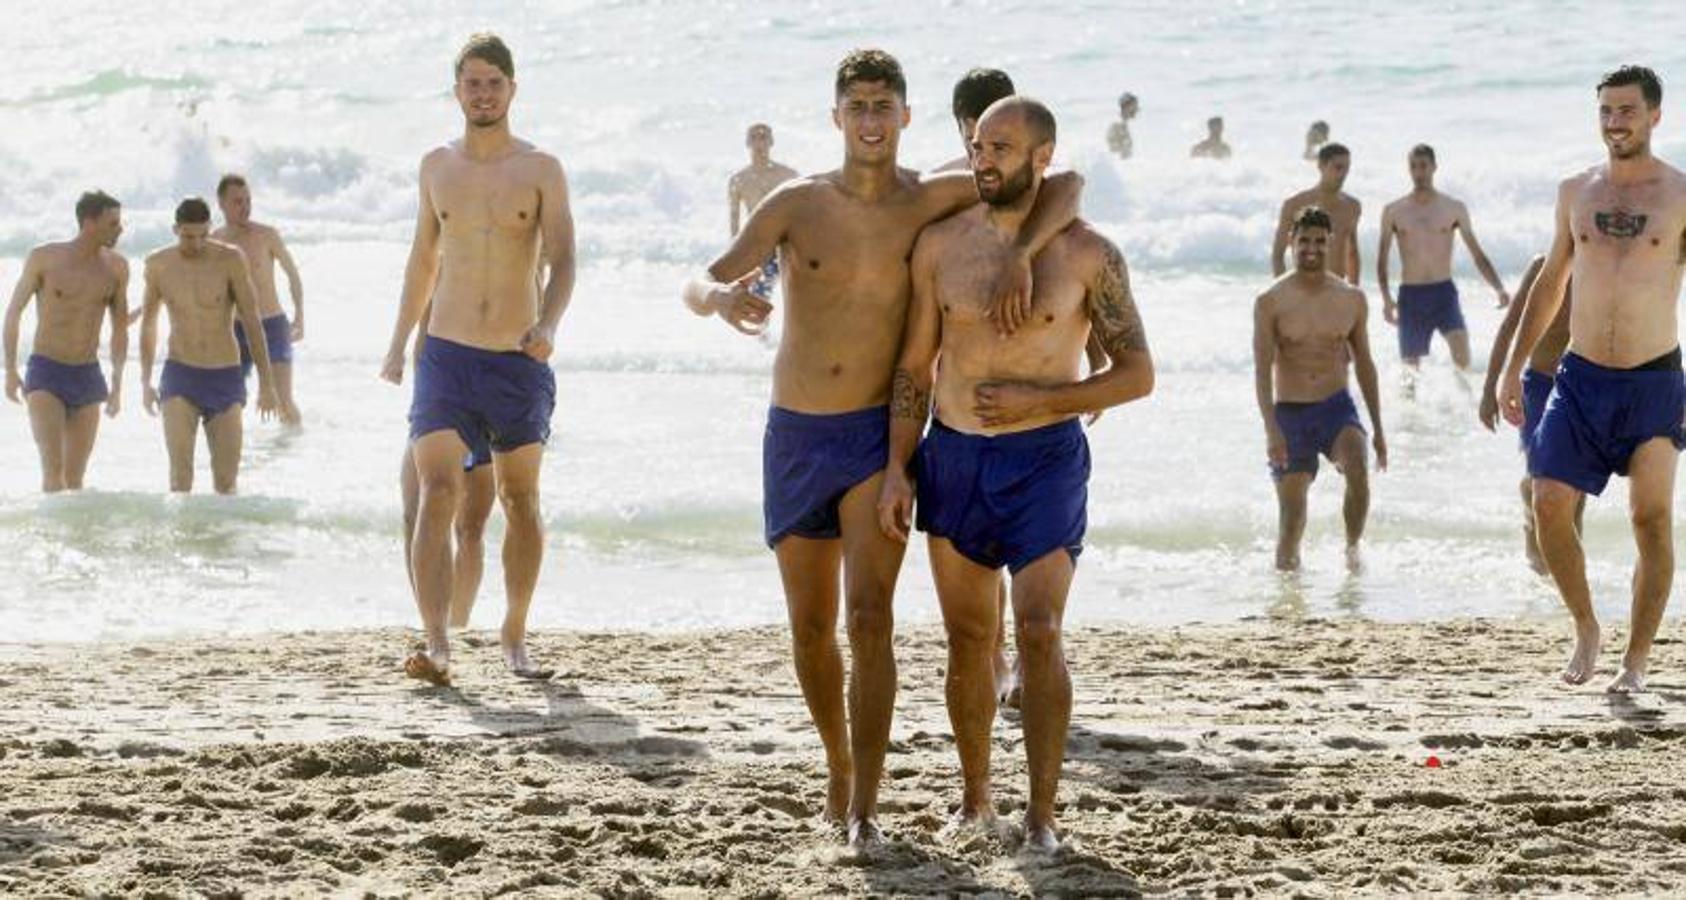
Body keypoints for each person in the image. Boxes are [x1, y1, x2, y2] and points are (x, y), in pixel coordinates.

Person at [681, 48, 1081, 847]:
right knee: (809, 628)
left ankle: (863, 804)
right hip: (796, 431)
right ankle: (838, 764)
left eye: (884, 106)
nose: (870, 121)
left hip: (875, 436)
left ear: (906, 116)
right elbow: (700, 276)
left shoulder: (931, 196)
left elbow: (1063, 184)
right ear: (837, 118)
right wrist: (721, 297)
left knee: (870, 618)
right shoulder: (797, 204)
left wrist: (1019, 252)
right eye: (856, 107)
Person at [878, 96, 1152, 852]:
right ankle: (975, 803)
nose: (982, 160)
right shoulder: (940, 245)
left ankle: (1042, 818)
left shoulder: (1090, 254)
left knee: (1038, 631)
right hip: (955, 457)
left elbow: (1137, 373)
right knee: (969, 639)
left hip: (1047, 462)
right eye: (976, 145)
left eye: (1000, 147)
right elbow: (913, 367)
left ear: (1042, 156)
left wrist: (1047, 397)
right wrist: (900, 468)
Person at [379, 33, 577, 687]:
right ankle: (436, 644)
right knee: (438, 491)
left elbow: (565, 257)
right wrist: (398, 341)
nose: (483, 93)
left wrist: (548, 322)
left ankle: (514, 633)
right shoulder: (436, 166)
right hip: (445, 353)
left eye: (494, 82)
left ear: (512, 89)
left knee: (520, 500)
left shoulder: (542, 168)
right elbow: (421, 260)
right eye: (472, 83)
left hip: (516, 358)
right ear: (457, 90)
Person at [1497, 65, 1686, 694]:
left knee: (1651, 520)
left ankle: (1635, 661)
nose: (1615, 122)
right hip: (1580, 378)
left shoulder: (1680, 194)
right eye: (1605, 110)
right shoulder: (1576, 191)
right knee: (1546, 500)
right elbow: (1550, 284)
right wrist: (1509, 371)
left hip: (1654, 381)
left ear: (1655, 115)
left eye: (1627, 110)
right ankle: (1585, 626)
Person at [1254, 206, 1387, 571]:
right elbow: (1263, 371)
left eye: (1318, 241)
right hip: (1290, 413)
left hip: (1335, 407)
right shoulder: (1270, 300)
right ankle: (1287, 597)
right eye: (1303, 241)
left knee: (1358, 468)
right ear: (1291, 243)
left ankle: (1352, 550)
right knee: (1292, 519)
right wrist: (1271, 430)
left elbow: (1365, 364)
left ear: (1330, 243)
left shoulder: (1351, 299)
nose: (1310, 248)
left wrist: (1377, 429)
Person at [138, 197, 279, 493]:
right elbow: (148, 324)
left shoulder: (230, 259)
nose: (197, 244)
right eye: (189, 236)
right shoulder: (158, 264)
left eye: (203, 235)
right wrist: (145, 380)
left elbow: (252, 321)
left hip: (225, 374)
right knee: (180, 478)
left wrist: (267, 383)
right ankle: (183, 539)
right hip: (180, 375)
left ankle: (220, 539)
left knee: (226, 483)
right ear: (176, 229)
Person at [3, 191, 129, 492]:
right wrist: (10, 370)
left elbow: (119, 330)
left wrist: (117, 385)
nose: (120, 229)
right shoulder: (45, 258)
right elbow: (12, 313)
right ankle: (49, 540)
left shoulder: (117, 268)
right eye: (112, 224)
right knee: (53, 474)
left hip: (87, 373)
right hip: (46, 371)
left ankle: (72, 540)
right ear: (89, 223)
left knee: (75, 481)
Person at [1479, 254, 1579, 573]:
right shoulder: (1542, 265)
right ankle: (1536, 556)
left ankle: (1567, 568)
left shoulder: (1604, 263)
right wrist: (1489, 389)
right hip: (1538, 385)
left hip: (1582, 385)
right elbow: (1510, 326)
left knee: (1575, 485)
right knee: (1538, 477)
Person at [1376, 145, 1509, 371]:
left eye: (1424, 166)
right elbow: (1382, 261)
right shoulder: (1394, 211)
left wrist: (1499, 288)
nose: (1419, 172)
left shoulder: (1453, 208)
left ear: (1434, 167)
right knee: (1410, 371)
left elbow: (1477, 253)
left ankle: (1464, 405)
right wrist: (1387, 299)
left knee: (1462, 357)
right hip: (1411, 295)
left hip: (1443, 293)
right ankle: (1409, 408)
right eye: (1414, 167)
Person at [213, 174, 305, 425]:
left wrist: (299, 315)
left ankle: (298, 452)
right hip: (235, 331)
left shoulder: (266, 235)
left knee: (283, 401)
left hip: (272, 326)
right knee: (229, 403)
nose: (245, 207)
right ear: (221, 203)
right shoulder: (214, 241)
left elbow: (293, 274)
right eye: (237, 202)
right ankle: (240, 459)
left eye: (248, 200)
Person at [729, 125, 799, 300]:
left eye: (764, 137)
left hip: (785, 242)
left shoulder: (788, 175)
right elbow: (734, 220)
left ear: (771, 142)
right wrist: (734, 254)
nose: (759, 142)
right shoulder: (738, 180)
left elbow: (802, 212)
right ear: (747, 142)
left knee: (797, 292)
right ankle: (762, 326)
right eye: (754, 137)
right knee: (760, 290)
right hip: (758, 243)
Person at [1274, 144, 1361, 284]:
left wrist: (1354, 291)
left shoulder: (1352, 206)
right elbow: (1278, 254)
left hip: (1337, 290)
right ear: (1321, 166)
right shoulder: (1295, 204)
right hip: (1303, 289)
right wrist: (1282, 292)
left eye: (1347, 168)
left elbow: (1352, 253)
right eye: (1338, 168)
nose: (1343, 174)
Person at [937, 67, 1015, 173]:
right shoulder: (938, 184)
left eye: (996, 144)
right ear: (960, 129)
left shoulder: (1039, 184)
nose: (983, 162)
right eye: (974, 143)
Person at [1106, 92, 1139, 160]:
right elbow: (1112, 150)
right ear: (1126, 107)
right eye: (1134, 106)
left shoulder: (1127, 124)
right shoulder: (1116, 125)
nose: (1136, 109)